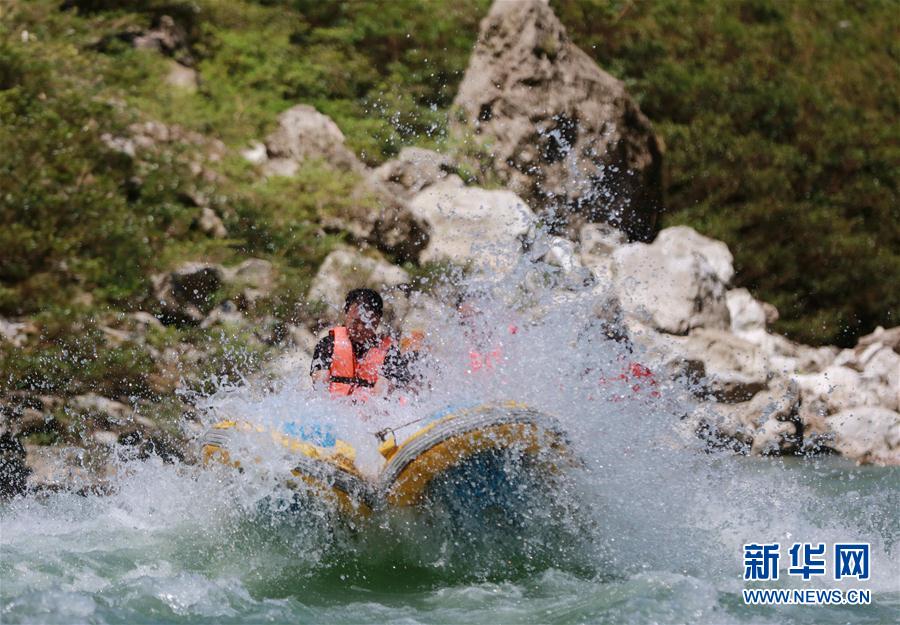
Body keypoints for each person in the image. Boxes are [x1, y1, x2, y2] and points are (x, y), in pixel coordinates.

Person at [310, 288, 413, 399]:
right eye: (355, 322)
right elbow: (320, 390)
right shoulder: (328, 345)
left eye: (365, 323)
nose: (359, 328)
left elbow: (380, 398)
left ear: (377, 321)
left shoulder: (389, 353)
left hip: (369, 411)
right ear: (346, 315)